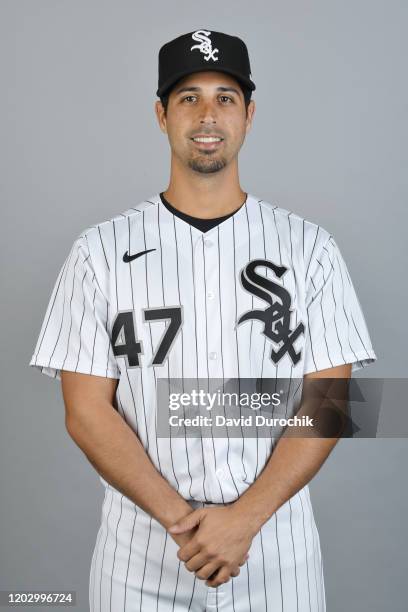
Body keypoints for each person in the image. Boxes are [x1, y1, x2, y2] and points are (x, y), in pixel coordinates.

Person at [29, 29, 377, 611]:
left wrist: (244, 520)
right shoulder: (99, 251)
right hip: (140, 558)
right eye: (189, 97)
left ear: (249, 114)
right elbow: (86, 411)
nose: (208, 114)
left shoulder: (310, 248)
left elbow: (332, 400)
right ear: (161, 115)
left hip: (275, 554)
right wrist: (185, 524)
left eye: (225, 96)